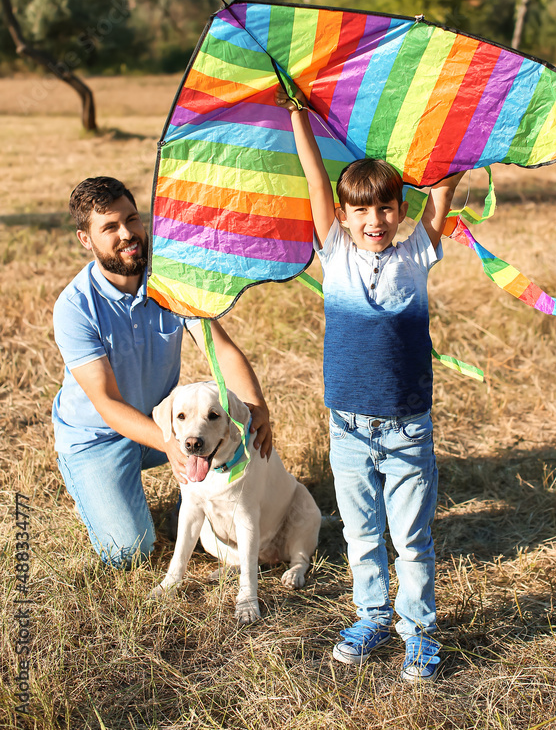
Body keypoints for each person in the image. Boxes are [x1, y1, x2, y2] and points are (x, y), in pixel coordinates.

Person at [276, 88, 463, 683]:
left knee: (410, 539)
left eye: (385, 208)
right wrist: (299, 119)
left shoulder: (417, 254)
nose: (373, 220)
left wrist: (452, 136)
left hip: (407, 425)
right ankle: (372, 615)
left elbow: (444, 186)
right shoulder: (333, 251)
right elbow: (312, 174)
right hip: (349, 426)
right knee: (361, 535)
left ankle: (419, 631)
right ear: (344, 213)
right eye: (360, 210)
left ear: (400, 210)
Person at [52, 176, 272, 568]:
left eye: (132, 219)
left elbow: (220, 350)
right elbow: (106, 403)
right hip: (97, 438)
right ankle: (116, 492)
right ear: (85, 239)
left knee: (240, 433)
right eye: (110, 228)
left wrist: (257, 409)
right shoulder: (74, 308)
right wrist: (167, 441)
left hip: (165, 421)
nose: (128, 234)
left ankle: (188, 506)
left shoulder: (168, 280)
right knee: (130, 553)